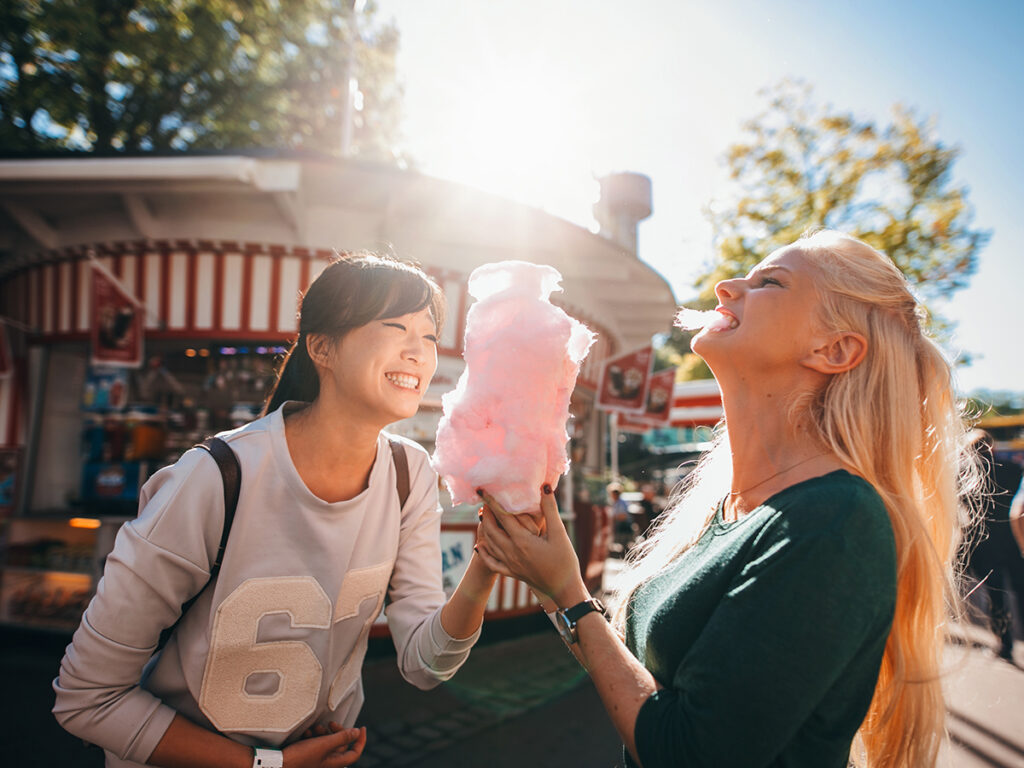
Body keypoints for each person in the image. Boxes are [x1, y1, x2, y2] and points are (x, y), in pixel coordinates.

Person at [476, 230, 980, 768]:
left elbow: (689, 754)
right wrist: (554, 589)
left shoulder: (835, 520)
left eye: (770, 282)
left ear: (834, 349)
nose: (725, 287)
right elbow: (648, 682)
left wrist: (568, 593)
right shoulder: (730, 507)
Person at [54, 253, 499, 768]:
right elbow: (88, 697)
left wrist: (485, 565)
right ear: (322, 347)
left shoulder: (410, 474)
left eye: (428, 335)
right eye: (395, 326)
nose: (419, 352)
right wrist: (268, 765)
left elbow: (425, 665)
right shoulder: (216, 476)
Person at [966, 429, 1024, 661]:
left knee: (996, 597)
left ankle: (1005, 643)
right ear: (993, 447)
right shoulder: (1013, 469)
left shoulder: (966, 476)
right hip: (1013, 541)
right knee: (1021, 592)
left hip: (985, 544)